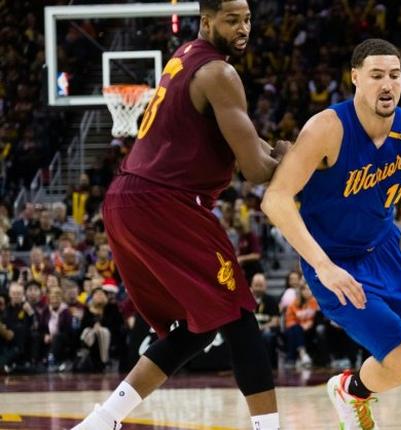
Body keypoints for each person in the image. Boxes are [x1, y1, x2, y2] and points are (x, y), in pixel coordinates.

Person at [73, 1, 286, 428]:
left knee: (198, 324)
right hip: (164, 202)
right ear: (207, 21)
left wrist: (278, 148)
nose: (244, 28)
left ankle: (104, 420)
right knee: (239, 312)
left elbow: (241, 136)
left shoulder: (185, 56)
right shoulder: (221, 73)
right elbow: (256, 169)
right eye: (232, 20)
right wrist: (294, 158)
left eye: (247, 19)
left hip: (127, 199)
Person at [262, 38, 401, 430]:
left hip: (387, 249)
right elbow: (275, 200)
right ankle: (351, 389)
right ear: (355, 78)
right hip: (333, 262)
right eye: (377, 76)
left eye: (395, 76)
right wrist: (323, 267)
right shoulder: (326, 128)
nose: (388, 85)